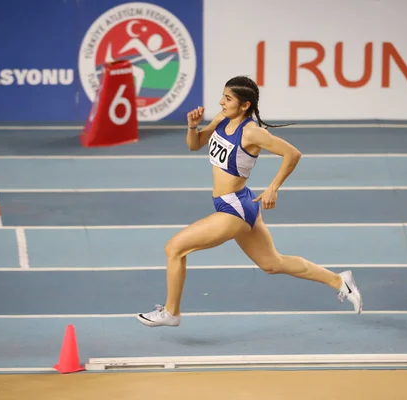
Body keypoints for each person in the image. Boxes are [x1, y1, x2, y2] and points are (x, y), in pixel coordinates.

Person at [136, 76, 362, 327]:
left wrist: (273, 188)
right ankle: (339, 281)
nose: (221, 102)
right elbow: (195, 145)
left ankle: (171, 312)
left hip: (235, 208)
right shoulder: (222, 119)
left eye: (228, 98)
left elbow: (293, 153)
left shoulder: (252, 132)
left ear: (244, 105)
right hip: (239, 202)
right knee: (273, 263)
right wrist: (193, 127)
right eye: (222, 96)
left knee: (174, 248)